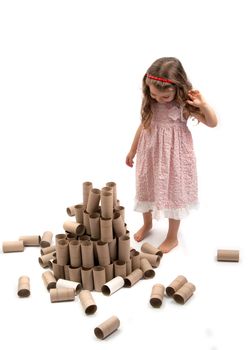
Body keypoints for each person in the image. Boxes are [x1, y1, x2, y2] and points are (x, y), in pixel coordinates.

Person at [126, 57, 218, 253]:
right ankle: (147, 223)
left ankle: (172, 237)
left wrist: (203, 105)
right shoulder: (151, 102)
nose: (158, 99)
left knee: (174, 192)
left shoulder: (184, 105)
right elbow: (143, 125)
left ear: (178, 88)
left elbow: (212, 122)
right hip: (150, 154)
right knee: (146, 187)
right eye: (154, 95)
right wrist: (132, 150)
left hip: (174, 158)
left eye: (164, 97)